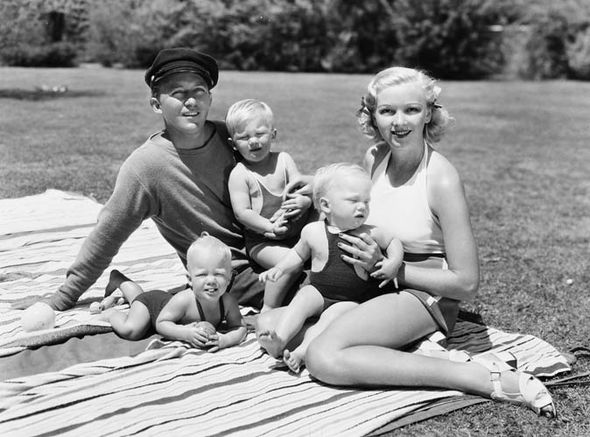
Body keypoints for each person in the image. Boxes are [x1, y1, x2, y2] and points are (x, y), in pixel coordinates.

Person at [304, 67, 556, 417]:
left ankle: (475, 375)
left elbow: (466, 283)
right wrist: (311, 189)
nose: (399, 121)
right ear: (372, 116)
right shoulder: (375, 158)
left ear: (429, 114)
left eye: (411, 109)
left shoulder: (441, 178)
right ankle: (419, 351)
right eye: (387, 111)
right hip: (374, 283)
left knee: (323, 356)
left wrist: (393, 268)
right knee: (301, 327)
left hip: (424, 294)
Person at [25, 47, 307, 312]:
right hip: (228, 273)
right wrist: (65, 296)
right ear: (156, 105)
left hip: (274, 244)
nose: (191, 100)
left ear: (210, 97)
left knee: (337, 263)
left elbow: (277, 176)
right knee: (323, 290)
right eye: (178, 93)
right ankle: (129, 290)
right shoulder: (145, 167)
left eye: (199, 90)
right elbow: (107, 234)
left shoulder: (230, 138)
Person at [256, 163, 403, 373]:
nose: (362, 207)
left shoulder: (370, 233)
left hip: (349, 300)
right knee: (303, 298)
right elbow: (297, 254)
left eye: (366, 201)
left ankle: (302, 352)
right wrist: (279, 269)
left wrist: (393, 263)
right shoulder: (312, 231)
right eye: (353, 200)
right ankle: (279, 338)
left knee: (330, 318)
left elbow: (393, 241)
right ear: (326, 206)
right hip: (319, 292)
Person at [226, 99, 314, 313]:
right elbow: (242, 212)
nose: (253, 141)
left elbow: (300, 188)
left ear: (273, 134)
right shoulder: (240, 174)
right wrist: (268, 227)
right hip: (263, 241)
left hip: (296, 231)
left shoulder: (284, 160)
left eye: (260, 134)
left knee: (323, 218)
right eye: (244, 137)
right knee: (290, 264)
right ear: (233, 143)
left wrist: (304, 201)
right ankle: (269, 307)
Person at [96, 234, 247, 351]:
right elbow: (161, 323)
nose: (211, 281)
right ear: (189, 278)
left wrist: (225, 340)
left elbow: (240, 327)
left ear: (229, 278)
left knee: (136, 298)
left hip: (163, 303)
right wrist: (185, 333)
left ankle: (119, 280)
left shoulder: (227, 302)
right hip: (151, 306)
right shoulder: (184, 300)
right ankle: (111, 313)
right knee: (133, 330)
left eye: (219, 274)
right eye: (202, 275)